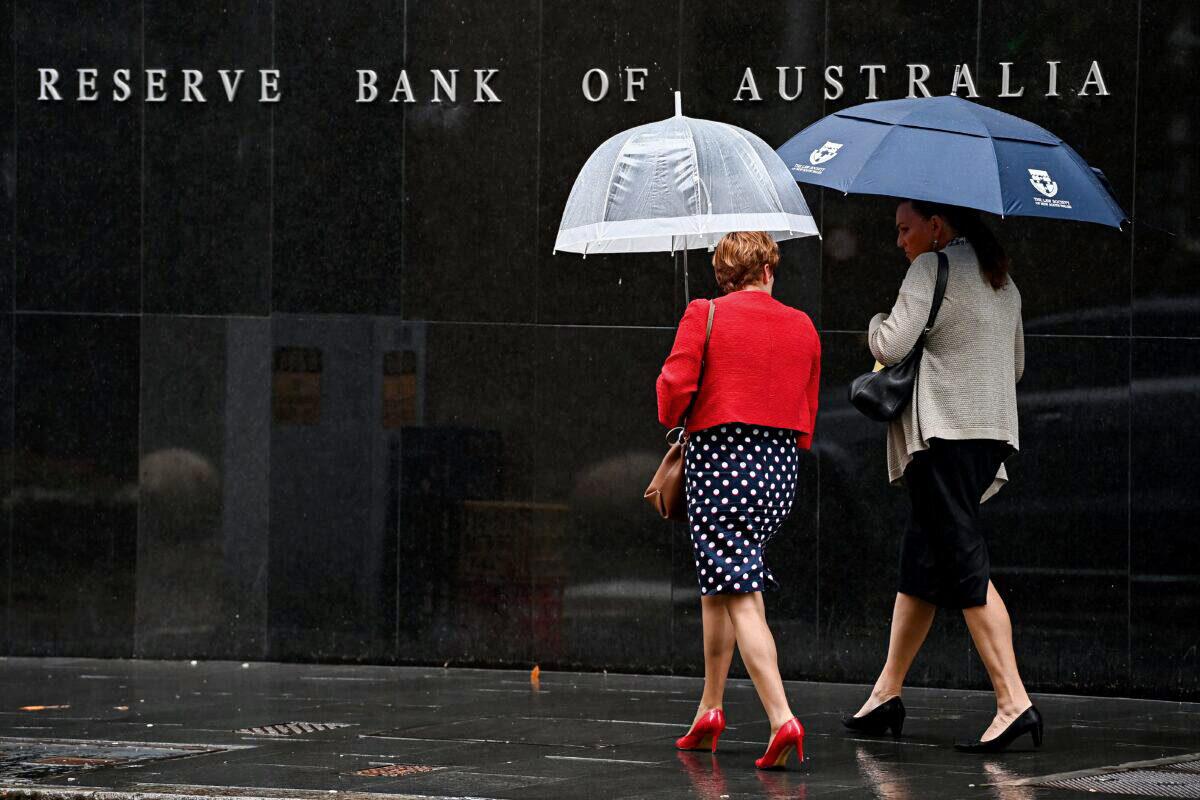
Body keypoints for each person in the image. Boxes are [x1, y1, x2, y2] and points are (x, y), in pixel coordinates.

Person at [842, 200, 1041, 753]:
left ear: (937, 226)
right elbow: (1016, 364)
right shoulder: (1005, 281)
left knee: (960, 558)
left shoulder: (931, 268)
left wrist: (878, 322)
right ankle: (886, 693)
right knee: (923, 558)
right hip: (990, 433)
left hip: (944, 435)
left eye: (906, 229)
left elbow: (888, 345)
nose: (901, 241)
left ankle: (1013, 701)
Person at [656, 231, 821, 769]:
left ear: (724, 275)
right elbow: (808, 403)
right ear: (769, 270)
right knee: (721, 585)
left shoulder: (703, 312)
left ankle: (781, 717)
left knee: (740, 592)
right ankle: (710, 707)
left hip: (721, 468)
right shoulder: (803, 326)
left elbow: (671, 395)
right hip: (778, 473)